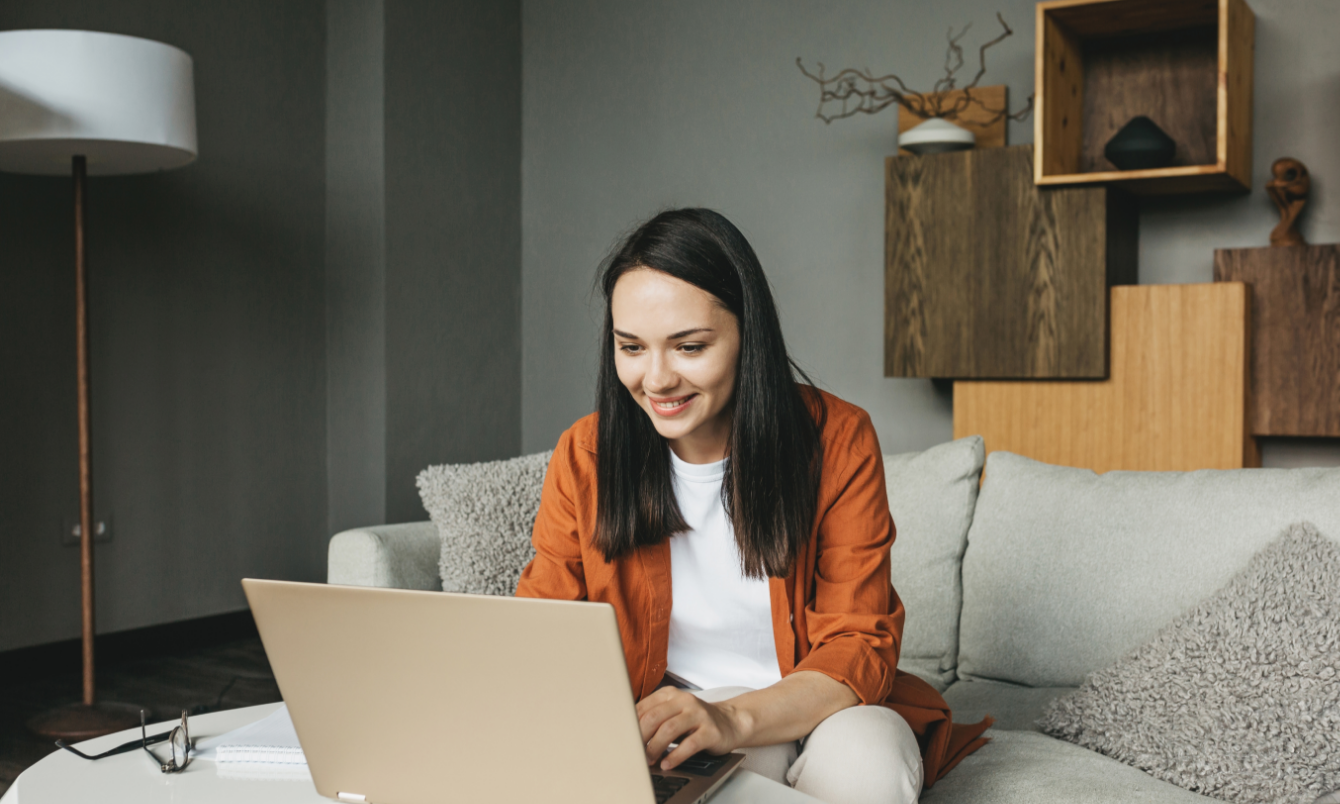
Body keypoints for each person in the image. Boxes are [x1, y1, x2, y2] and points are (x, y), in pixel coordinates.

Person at [516, 208, 990, 803]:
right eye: (631, 347)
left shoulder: (838, 440)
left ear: (748, 335)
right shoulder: (586, 454)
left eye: (689, 347)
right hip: (678, 714)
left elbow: (858, 642)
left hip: (823, 702)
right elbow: (540, 627)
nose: (656, 379)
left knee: (866, 766)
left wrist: (735, 720)